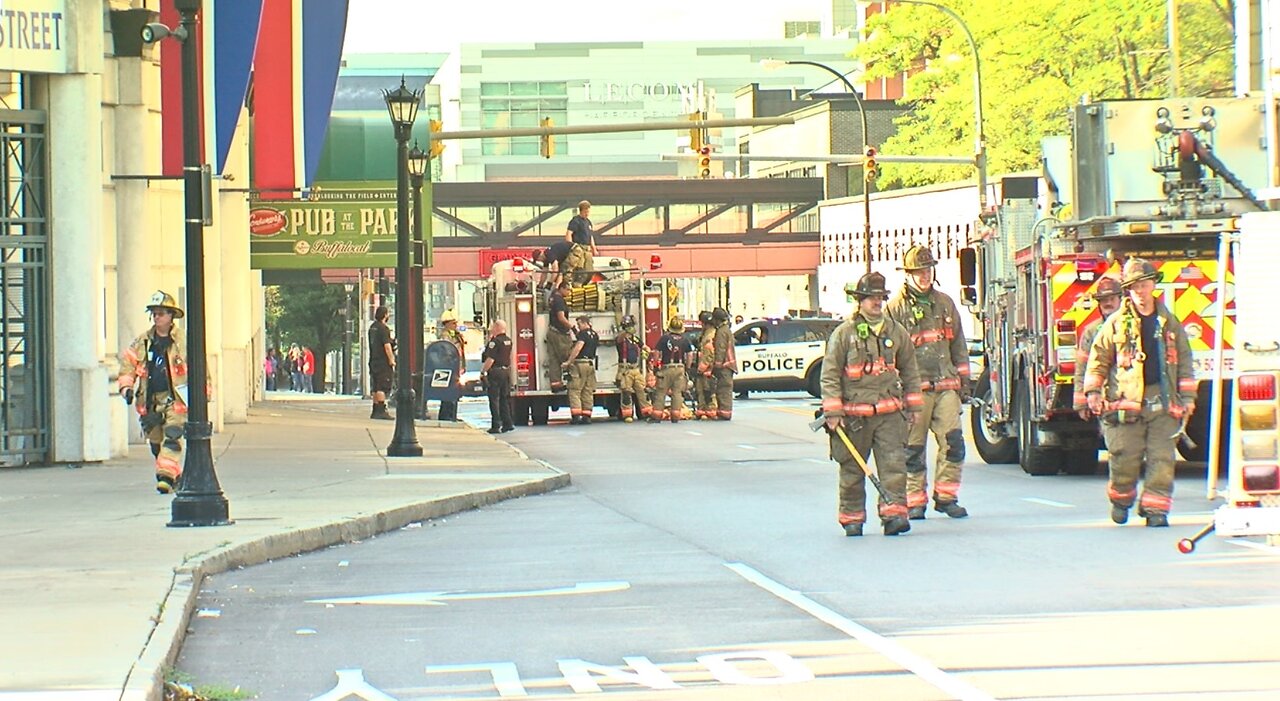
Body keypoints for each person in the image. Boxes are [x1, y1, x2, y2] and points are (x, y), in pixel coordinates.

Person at [1083, 258, 1195, 528]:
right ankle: (1121, 499)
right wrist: (1093, 392)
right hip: (1126, 403)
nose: (1141, 292)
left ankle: (1156, 510)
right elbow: (1098, 359)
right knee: (1124, 457)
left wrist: (1188, 398)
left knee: (1163, 458)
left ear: (1153, 285)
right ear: (1128, 292)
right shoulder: (1115, 324)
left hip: (1162, 401)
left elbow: (1184, 360)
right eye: (1135, 288)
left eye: (1145, 285)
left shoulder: (1169, 322)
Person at [821, 272, 923, 537]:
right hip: (854, 418)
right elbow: (830, 373)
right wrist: (833, 411)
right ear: (860, 301)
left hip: (890, 415)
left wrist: (913, 407)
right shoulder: (844, 334)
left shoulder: (896, 332)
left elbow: (910, 370)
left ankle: (894, 516)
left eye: (879, 298)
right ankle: (852, 518)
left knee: (894, 466)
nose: (876, 303)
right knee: (852, 470)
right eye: (871, 298)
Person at [885, 244, 972, 520]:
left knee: (954, 442)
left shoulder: (945, 303)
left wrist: (964, 382)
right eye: (919, 271)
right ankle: (914, 500)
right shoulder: (894, 309)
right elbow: (888, 354)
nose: (924, 275)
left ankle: (946, 496)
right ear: (907, 275)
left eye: (928, 270)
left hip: (946, 386)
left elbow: (958, 344)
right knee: (912, 449)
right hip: (913, 392)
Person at [117, 290, 191, 494]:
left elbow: (200, 369)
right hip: (150, 401)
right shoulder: (142, 342)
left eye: (161, 313)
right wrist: (126, 388)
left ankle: (165, 476)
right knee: (156, 442)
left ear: (171, 316)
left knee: (173, 435)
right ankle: (175, 475)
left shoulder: (184, 342)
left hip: (175, 400)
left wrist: (202, 396)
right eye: (154, 313)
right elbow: (128, 364)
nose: (157, 317)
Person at [1073, 276, 1124, 419]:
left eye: (1112, 299)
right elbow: (1082, 367)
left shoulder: (1134, 325)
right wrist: (1082, 403)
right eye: (1103, 300)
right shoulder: (1092, 331)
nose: (1108, 303)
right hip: (1106, 397)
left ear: (1121, 299)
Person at [651, 316, 695, 423]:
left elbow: (656, 352)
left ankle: (657, 416)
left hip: (666, 368)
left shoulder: (664, 338)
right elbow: (690, 355)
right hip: (680, 369)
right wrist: (687, 369)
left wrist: (655, 366)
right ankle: (675, 416)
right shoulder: (685, 340)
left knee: (661, 392)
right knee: (677, 393)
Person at [480, 319, 515, 434]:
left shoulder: (494, 342)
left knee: (494, 399)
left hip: (495, 372)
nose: (492, 329)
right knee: (504, 398)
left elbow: (490, 359)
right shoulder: (508, 341)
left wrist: (483, 371)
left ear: (497, 328)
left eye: (493, 327)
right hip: (506, 371)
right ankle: (507, 423)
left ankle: (496, 425)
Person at [563, 315, 600, 424]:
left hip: (579, 364)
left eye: (579, 324)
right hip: (590, 364)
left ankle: (576, 416)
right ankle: (587, 416)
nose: (578, 327)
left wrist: (569, 362)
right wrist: (574, 330)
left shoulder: (583, 335)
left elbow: (578, 347)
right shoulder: (595, 335)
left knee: (574, 390)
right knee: (587, 390)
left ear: (585, 323)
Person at [615, 315, 651, 422]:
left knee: (642, 391)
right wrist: (625, 331)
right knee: (626, 393)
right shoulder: (621, 339)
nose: (632, 328)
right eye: (630, 326)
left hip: (636, 369)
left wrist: (646, 352)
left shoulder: (635, 339)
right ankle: (627, 415)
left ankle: (647, 412)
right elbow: (620, 338)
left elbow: (645, 347)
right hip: (625, 370)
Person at [545, 279, 575, 391]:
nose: (569, 292)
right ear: (561, 288)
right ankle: (573, 381)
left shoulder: (553, 296)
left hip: (551, 331)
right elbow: (561, 317)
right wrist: (572, 327)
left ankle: (555, 383)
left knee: (554, 359)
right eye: (567, 290)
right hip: (559, 333)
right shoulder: (559, 300)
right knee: (568, 356)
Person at [438, 310, 467, 422]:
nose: (456, 326)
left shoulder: (455, 335)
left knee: (455, 392)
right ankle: (447, 415)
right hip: (449, 368)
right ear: (447, 324)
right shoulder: (446, 336)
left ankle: (452, 414)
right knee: (448, 392)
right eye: (453, 323)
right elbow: (448, 351)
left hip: (456, 368)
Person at [367, 305, 395, 420]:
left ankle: (375, 409)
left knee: (375, 385)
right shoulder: (384, 329)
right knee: (382, 386)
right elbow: (387, 346)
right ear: (385, 315)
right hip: (383, 362)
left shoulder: (372, 328)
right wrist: (391, 360)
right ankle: (381, 409)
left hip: (373, 360)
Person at [710, 307, 737, 420]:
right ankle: (725, 411)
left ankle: (725, 413)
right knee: (725, 389)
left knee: (723, 389)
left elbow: (720, 349)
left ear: (717, 320)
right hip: (729, 365)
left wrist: (717, 365)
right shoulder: (727, 330)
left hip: (724, 365)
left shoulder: (721, 332)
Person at [563, 199, 598, 285]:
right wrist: (571, 246)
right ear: (582, 210)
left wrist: (594, 248)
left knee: (590, 270)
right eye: (586, 211)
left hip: (587, 249)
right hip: (578, 248)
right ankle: (576, 285)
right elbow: (569, 233)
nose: (587, 213)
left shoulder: (588, 222)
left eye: (588, 211)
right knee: (580, 270)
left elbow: (590, 236)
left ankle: (584, 285)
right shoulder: (575, 221)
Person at [694, 310, 718, 419]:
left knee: (708, 391)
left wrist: (703, 366)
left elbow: (709, 352)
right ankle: (703, 410)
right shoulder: (707, 333)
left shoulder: (710, 335)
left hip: (707, 369)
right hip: (705, 367)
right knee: (702, 390)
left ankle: (711, 411)